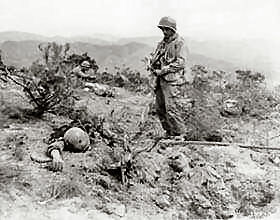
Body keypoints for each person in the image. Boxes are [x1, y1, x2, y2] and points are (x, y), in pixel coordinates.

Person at [149, 16, 188, 139]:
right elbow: (155, 57)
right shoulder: (162, 43)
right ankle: (169, 132)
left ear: (173, 30)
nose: (164, 32)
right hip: (159, 79)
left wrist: (164, 70)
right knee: (160, 108)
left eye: (167, 29)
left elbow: (181, 62)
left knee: (171, 108)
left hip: (171, 80)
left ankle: (180, 133)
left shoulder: (179, 43)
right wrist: (152, 63)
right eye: (163, 29)